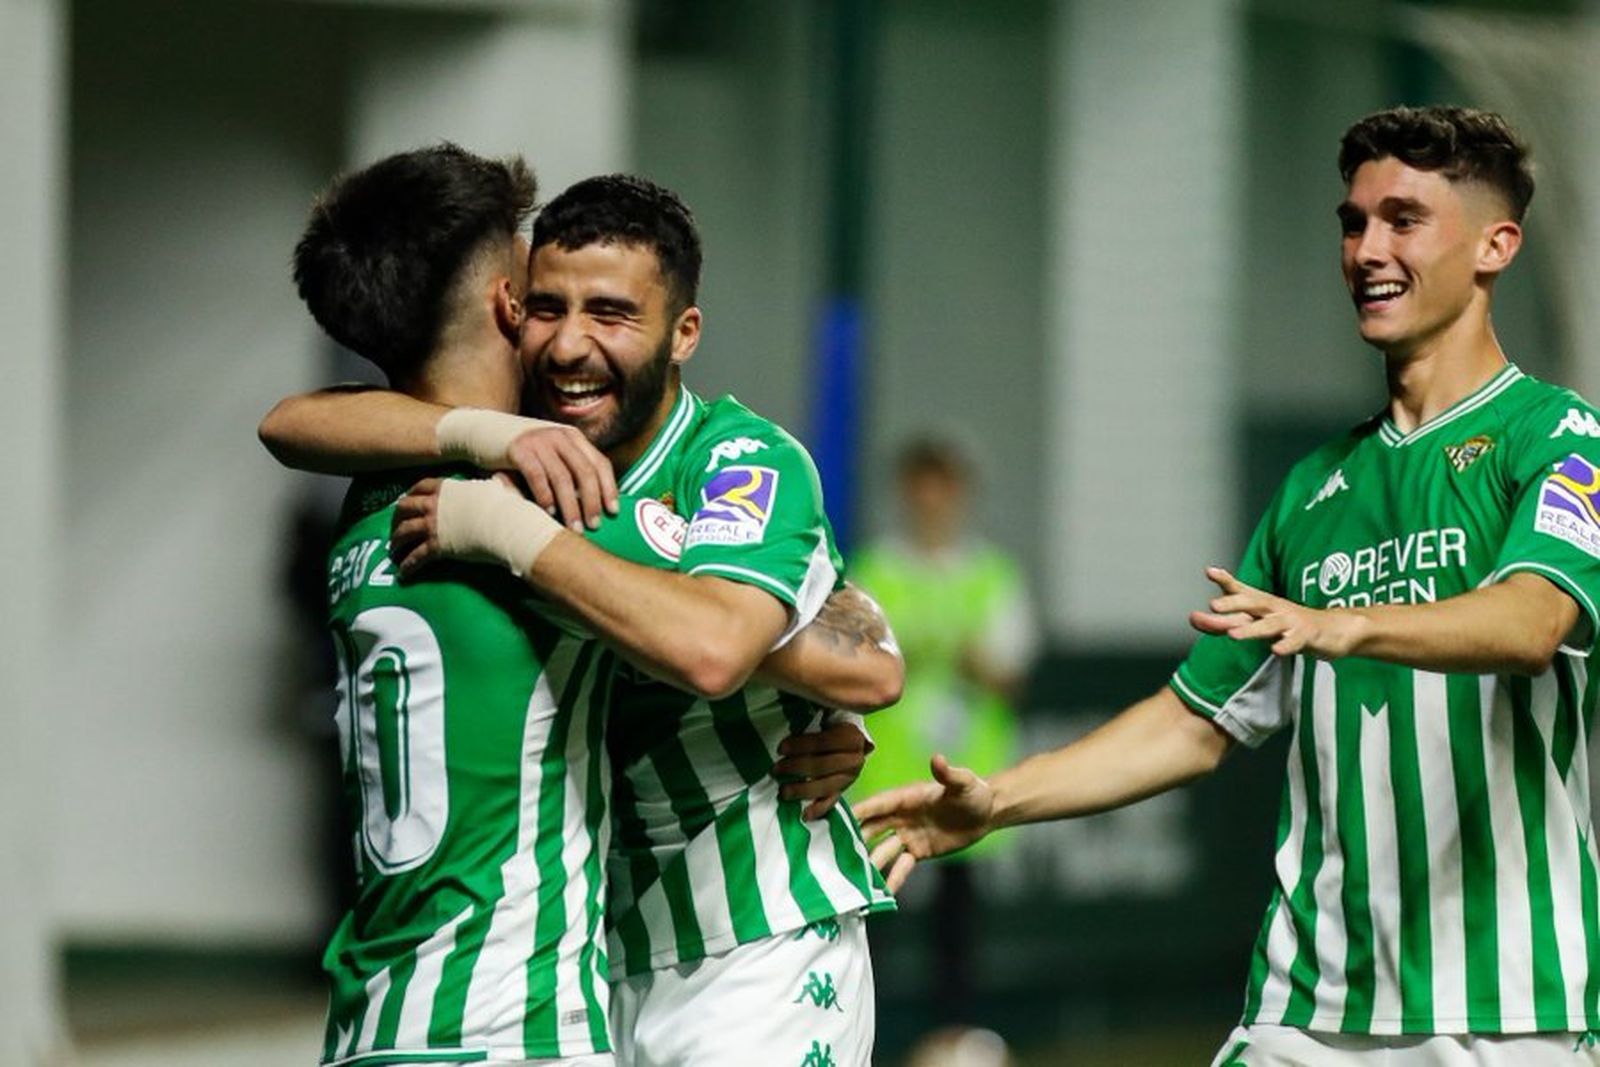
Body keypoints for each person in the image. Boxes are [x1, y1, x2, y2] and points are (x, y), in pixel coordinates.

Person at [857, 105, 1600, 1066]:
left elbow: (1534, 619)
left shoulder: (1558, 435)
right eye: (1352, 221)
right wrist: (998, 800)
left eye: (1403, 219)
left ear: (1497, 244)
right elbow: (1192, 720)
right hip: (1306, 1005)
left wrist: (1344, 625)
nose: (1367, 248)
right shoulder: (1312, 489)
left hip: (1508, 1009)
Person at [280, 148, 900, 1066]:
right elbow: (292, 419)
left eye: (611, 313)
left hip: (754, 943)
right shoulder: (519, 451)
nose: (570, 344)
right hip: (598, 957)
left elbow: (851, 654)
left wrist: (791, 677)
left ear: (683, 332)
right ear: (510, 308)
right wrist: (486, 438)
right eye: (548, 307)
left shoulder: (735, 462)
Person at [848, 436, 1035, 1025]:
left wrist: (959, 656)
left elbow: (1009, 673)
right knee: (868, 931)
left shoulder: (991, 576)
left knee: (957, 938)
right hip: (882, 784)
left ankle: (953, 1043)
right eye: (921, 483)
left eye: (943, 484)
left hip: (966, 785)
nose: (931, 498)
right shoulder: (873, 571)